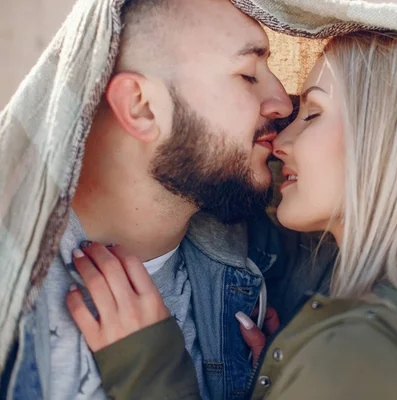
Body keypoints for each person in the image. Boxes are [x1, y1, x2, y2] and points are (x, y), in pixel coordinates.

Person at [69, 31, 397, 399]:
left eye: (311, 114)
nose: (280, 140)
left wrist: (151, 373)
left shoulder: (365, 352)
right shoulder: (391, 321)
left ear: (387, 143)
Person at [0, 0, 297, 399]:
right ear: (141, 107)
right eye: (247, 74)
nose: (282, 101)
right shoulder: (13, 290)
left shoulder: (267, 265)